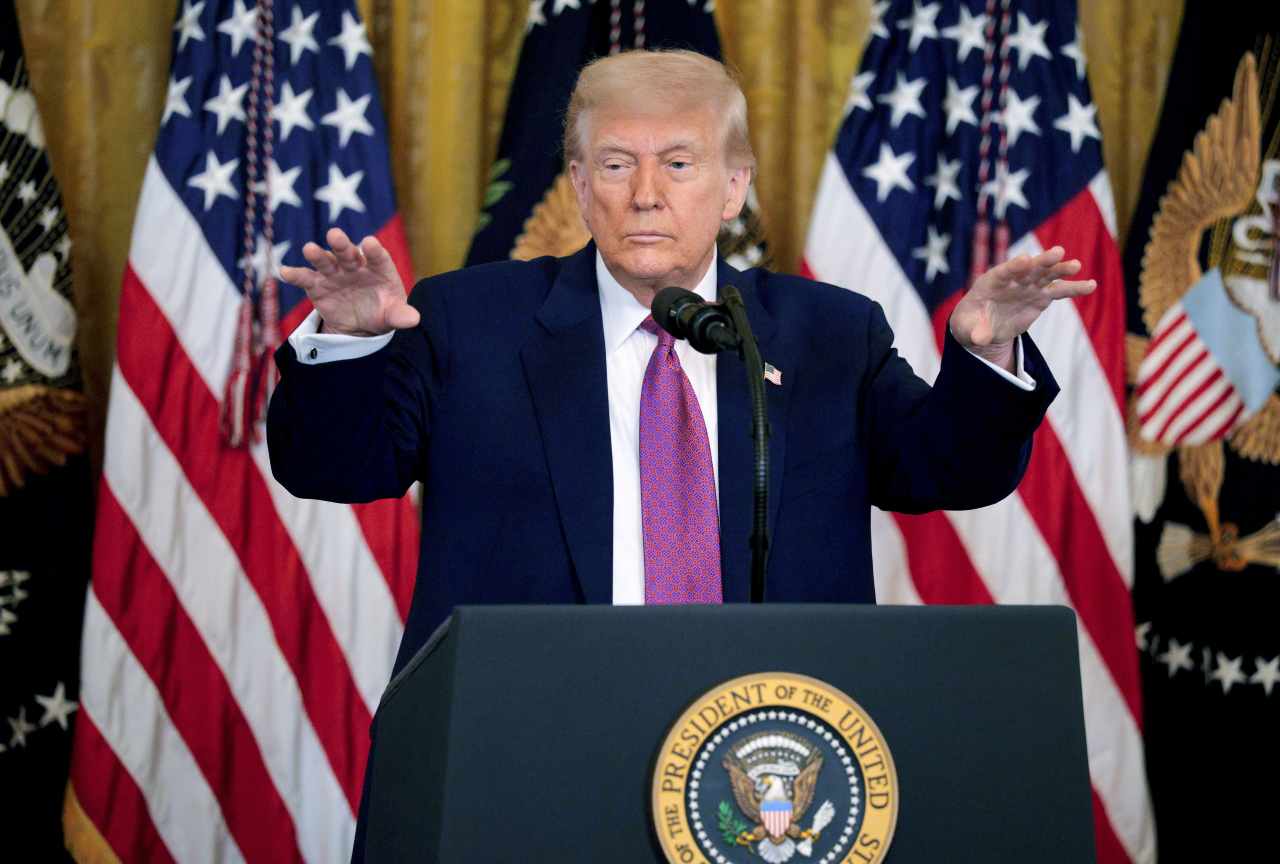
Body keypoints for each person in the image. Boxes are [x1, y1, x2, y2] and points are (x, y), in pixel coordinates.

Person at [268, 49, 1089, 677]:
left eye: (680, 163)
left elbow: (948, 471)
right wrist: (348, 340)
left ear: (733, 187)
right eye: (616, 164)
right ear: (580, 185)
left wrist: (987, 353)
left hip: (765, 754)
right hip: (525, 741)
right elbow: (336, 469)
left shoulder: (830, 335)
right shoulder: (469, 322)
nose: (645, 193)